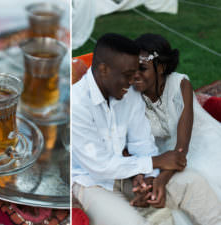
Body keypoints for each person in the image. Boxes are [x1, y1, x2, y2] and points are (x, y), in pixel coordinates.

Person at [72, 33, 221, 225]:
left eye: (136, 72)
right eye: (127, 74)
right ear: (104, 70)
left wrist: (146, 179)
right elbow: (100, 165)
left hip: (131, 170)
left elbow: (142, 143)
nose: (132, 80)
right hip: (92, 182)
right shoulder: (76, 103)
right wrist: (155, 162)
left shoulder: (129, 93)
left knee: (192, 182)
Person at [133, 33, 221, 201]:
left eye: (142, 68)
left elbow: (182, 146)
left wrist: (162, 179)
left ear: (161, 68)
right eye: (131, 68)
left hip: (199, 142)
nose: (135, 75)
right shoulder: (131, 96)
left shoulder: (180, 85)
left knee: (203, 175)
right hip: (164, 153)